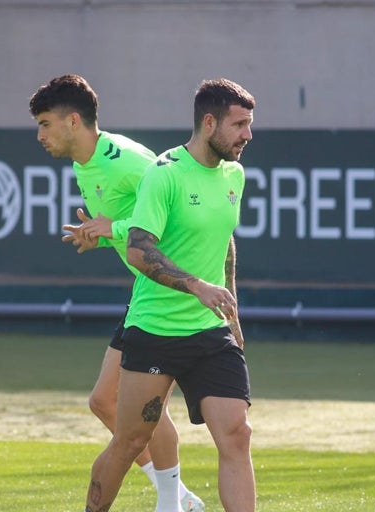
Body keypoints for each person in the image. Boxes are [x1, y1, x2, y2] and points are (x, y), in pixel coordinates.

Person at [29, 74, 204, 512]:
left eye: (46, 123)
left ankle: (173, 500)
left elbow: (180, 213)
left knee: (136, 409)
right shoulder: (82, 163)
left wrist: (115, 228)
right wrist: (101, 236)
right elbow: (131, 225)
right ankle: (178, 497)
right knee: (106, 402)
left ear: (73, 121)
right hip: (147, 288)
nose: (40, 134)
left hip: (168, 291)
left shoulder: (126, 160)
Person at [81, 78, 256, 512]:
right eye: (239, 125)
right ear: (209, 122)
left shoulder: (235, 174)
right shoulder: (165, 173)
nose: (247, 135)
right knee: (129, 442)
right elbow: (140, 249)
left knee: (237, 436)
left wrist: (231, 310)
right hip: (155, 330)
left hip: (210, 333)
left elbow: (226, 242)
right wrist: (197, 286)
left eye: (249, 125)